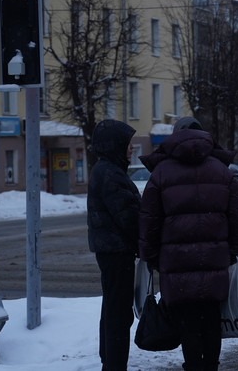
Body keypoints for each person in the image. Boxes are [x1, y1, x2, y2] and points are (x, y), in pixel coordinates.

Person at [138, 116, 238, 371]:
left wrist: (151, 256)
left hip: (176, 265)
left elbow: (149, 220)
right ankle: (210, 366)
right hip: (215, 261)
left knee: (187, 323)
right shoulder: (222, 171)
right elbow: (236, 217)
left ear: (175, 136)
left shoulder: (161, 173)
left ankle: (193, 367)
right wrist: (235, 253)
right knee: (211, 321)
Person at [87, 119, 141, 371]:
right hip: (116, 251)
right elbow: (128, 217)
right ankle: (114, 364)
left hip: (112, 250)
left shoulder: (108, 169)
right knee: (118, 314)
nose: (131, 147)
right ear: (115, 145)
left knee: (112, 309)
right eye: (127, 143)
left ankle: (110, 362)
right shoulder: (110, 173)